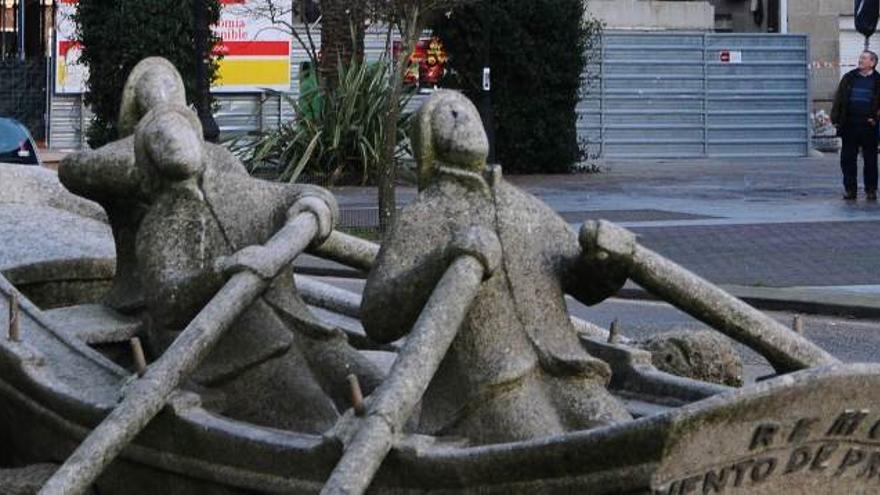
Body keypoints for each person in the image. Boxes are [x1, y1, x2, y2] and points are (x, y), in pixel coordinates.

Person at [361, 91, 632, 445]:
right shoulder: (424, 217)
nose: (463, 117)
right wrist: (441, 259)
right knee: (549, 446)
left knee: (622, 433)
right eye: (448, 114)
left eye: (467, 110)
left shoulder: (525, 209)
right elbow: (377, 317)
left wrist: (607, 263)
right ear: (429, 145)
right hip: (486, 389)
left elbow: (581, 282)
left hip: (571, 373)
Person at [831, 50, 880, 201]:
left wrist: (876, 118)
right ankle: (850, 190)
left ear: (872, 63)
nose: (860, 60)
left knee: (870, 160)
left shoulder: (878, 81)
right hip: (850, 125)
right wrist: (836, 118)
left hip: (869, 126)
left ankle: (870, 190)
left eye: (864, 58)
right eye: (860, 58)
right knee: (847, 159)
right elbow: (839, 97)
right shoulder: (849, 77)